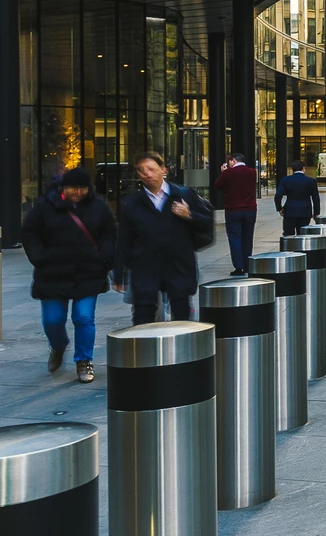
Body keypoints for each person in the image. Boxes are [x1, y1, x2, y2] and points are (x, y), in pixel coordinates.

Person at [21, 167, 116, 383]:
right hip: (53, 272)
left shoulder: (99, 207)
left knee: (83, 317)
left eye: (82, 188)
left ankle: (84, 361)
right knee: (52, 320)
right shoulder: (45, 207)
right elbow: (29, 233)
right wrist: (40, 257)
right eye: (74, 187)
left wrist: (104, 257)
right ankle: (58, 345)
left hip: (88, 272)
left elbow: (110, 234)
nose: (78, 192)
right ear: (64, 187)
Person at [113, 152, 214, 323]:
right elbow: (123, 239)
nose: (147, 174)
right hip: (144, 267)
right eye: (141, 171)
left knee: (182, 317)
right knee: (142, 318)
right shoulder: (132, 203)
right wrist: (118, 275)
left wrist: (189, 214)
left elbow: (207, 223)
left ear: (163, 170)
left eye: (151, 169)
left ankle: (181, 349)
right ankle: (146, 348)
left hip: (178, 265)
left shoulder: (183, 195)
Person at [215, 152, 258, 276]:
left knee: (235, 237)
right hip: (250, 209)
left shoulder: (228, 173)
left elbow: (217, 185)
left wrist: (223, 173)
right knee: (248, 237)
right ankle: (248, 264)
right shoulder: (252, 172)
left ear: (233, 161)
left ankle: (239, 267)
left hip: (233, 209)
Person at [275, 156, 322, 236]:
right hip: (305, 211)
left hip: (290, 211)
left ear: (293, 169)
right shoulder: (311, 181)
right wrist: (316, 212)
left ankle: (289, 248)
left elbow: (278, 195)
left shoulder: (285, 180)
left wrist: (279, 208)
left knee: (288, 234)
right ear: (303, 169)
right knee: (302, 234)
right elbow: (315, 198)